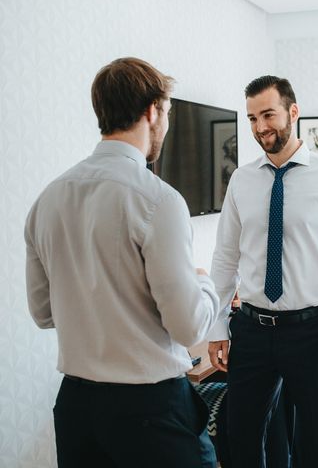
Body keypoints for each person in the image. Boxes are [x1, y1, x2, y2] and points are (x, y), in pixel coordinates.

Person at [24, 57, 221, 468]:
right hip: (150, 412)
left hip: (77, 409)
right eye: (166, 113)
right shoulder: (160, 200)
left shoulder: (47, 199)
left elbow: (43, 314)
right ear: (152, 111)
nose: (165, 125)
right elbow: (187, 326)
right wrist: (204, 283)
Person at [208, 75, 318, 467]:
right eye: (251, 118)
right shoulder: (241, 181)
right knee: (242, 435)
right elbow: (225, 257)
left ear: (293, 112)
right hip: (250, 330)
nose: (260, 127)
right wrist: (214, 328)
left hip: (312, 331)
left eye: (268, 114)